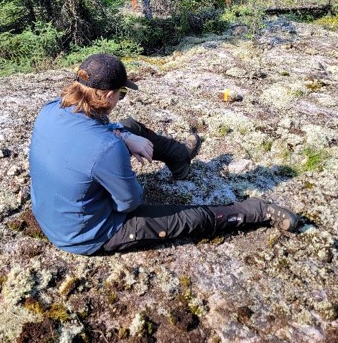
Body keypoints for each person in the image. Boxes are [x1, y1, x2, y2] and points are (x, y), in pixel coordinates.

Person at [28, 53, 300, 255]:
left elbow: (95, 135)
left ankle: (179, 156)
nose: (120, 99)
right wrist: (119, 151)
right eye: (121, 94)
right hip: (89, 234)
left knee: (129, 127)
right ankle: (258, 211)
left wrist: (124, 135)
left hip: (52, 212)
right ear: (109, 95)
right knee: (191, 219)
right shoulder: (106, 149)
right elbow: (130, 203)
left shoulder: (52, 108)